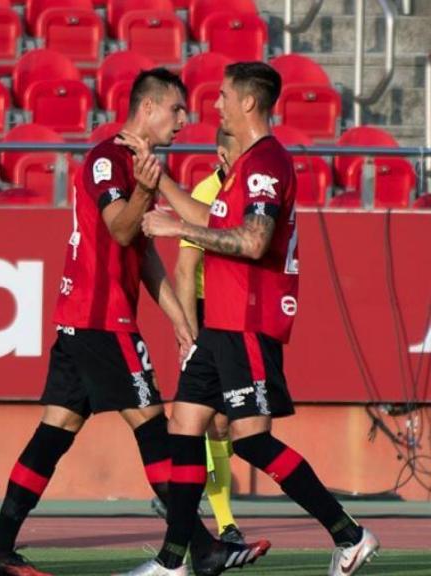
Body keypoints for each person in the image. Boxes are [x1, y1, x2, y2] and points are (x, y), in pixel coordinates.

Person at [0, 68, 260, 576]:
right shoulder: (109, 159)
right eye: (175, 110)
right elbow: (120, 228)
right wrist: (148, 189)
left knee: (53, 434)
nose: (182, 120)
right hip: (101, 321)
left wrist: (177, 318)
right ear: (146, 109)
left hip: (84, 320)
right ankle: (200, 546)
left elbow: (143, 252)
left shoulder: (135, 165)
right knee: (155, 429)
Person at [118, 61, 379, 576]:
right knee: (185, 426)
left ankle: (350, 534)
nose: (212, 105)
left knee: (253, 440)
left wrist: (175, 233)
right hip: (221, 322)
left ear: (247, 103)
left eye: (221, 96)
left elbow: (254, 241)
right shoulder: (245, 166)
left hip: (248, 320)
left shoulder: (266, 163)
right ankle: (174, 562)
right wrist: (158, 174)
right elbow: (210, 217)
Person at [172, 129, 246, 545]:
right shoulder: (204, 193)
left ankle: (207, 512)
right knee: (209, 420)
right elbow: (185, 269)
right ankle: (225, 523)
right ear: (221, 154)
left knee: (230, 423)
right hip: (205, 311)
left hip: (236, 313)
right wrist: (187, 331)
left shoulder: (254, 191)